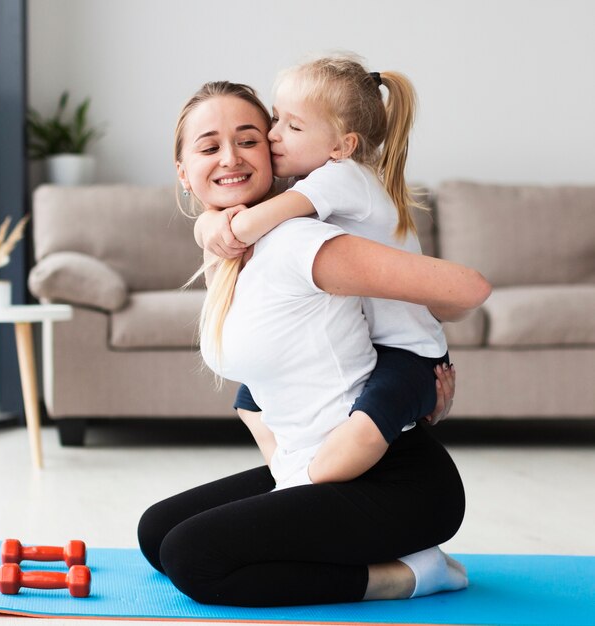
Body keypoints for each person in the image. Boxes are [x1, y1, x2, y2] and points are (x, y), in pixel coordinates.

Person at [138, 80, 491, 608]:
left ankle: (413, 574)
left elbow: (464, 291)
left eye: (249, 139)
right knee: (156, 534)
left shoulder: (300, 243)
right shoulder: (234, 251)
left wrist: (415, 380)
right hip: (313, 461)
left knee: (194, 558)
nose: (230, 157)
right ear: (184, 173)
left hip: (397, 484)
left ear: (274, 153)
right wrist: (213, 226)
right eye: (209, 147)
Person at [194, 55, 456, 484]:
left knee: (366, 427)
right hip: (373, 342)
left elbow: (250, 224)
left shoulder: (341, 177)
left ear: (342, 145)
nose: (273, 136)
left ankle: (311, 484)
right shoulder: (322, 178)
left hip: (409, 351)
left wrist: (215, 225)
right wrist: (206, 223)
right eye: (275, 120)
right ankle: (289, 472)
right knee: (248, 399)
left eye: (292, 127)